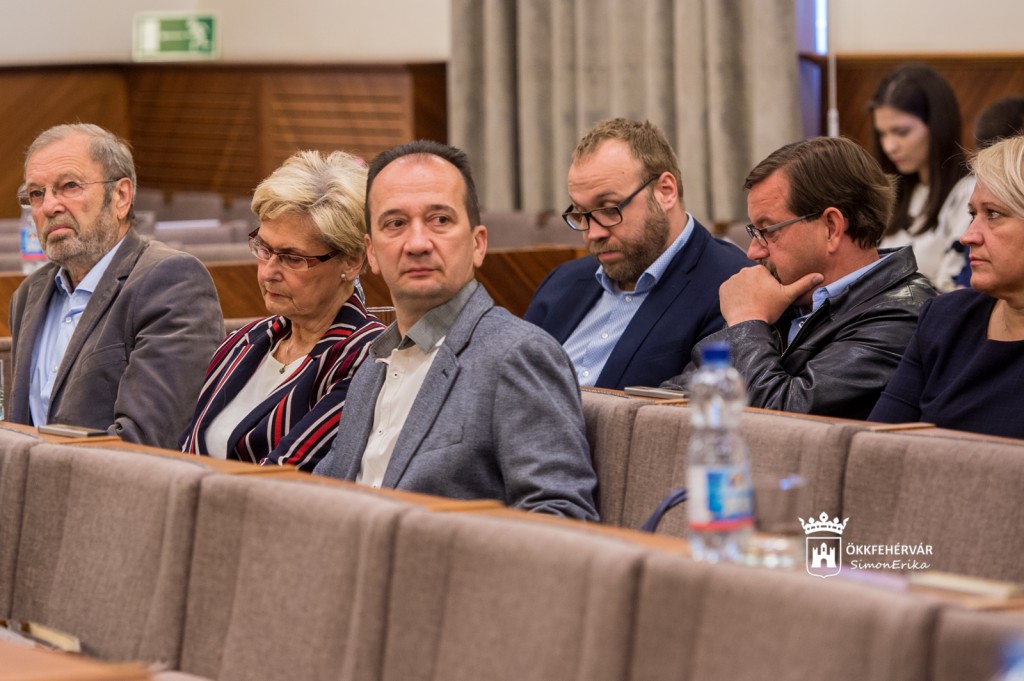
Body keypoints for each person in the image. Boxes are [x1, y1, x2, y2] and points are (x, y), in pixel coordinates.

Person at [313, 140, 599, 520]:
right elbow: (326, 497)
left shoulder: (517, 355)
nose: (417, 243)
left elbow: (562, 517)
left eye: (440, 220)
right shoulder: (372, 367)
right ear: (371, 253)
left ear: (478, 244)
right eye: (395, 224)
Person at [662, 136, 936, 418]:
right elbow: (674, 397)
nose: (753, 252)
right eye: (754, 232)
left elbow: (786, 421)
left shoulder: (903, 315)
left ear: (831, 227)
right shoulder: (782, 294)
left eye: (768, 230)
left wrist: (746, 321)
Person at [7, 123, 223, 448]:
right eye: (37, 193)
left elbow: (146, 440)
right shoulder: (30, 294)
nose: (49, 206)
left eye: (69, 186)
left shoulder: (171, 280)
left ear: (121, 196)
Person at [179, 150, 385, 470]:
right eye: (264, 249)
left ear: (351, 261)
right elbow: (184, 449)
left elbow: (284, 475)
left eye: (292, 258)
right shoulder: (243, 341)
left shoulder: (366, 357)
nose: (268, 272)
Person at [523, 118, 749, 390]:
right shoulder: (562, 281)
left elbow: (697, 404)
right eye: (581, 214)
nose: (593, 234)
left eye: (609, 209)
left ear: (665, 191)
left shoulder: (732, 287)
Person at [870, 136, 1024, 438]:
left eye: (993, 214)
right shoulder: (944, 319)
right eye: (972, 215)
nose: (968, 236)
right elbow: (876, 446)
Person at [870, 63, 974, 292]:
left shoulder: (969, 193)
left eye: (901, 132)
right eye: (882, 134)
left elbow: (953, 291)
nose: (889, 146)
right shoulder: (898, 191)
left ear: (937, 125)